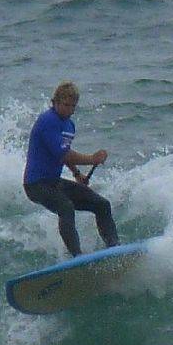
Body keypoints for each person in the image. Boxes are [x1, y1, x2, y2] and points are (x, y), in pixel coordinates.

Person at [23, 81, 120, 256]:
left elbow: (61, 153)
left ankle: (114, 249)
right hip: (35, 185)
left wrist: (76, 173)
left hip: (53, 182)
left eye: (72, 106)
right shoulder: (48, 121)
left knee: (102, 205)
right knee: (65, 207)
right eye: (65, 105)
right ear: (55, 102)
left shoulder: (69, 125)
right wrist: (92, 158)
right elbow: (64, 154)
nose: (69, 110)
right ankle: (77, 257)